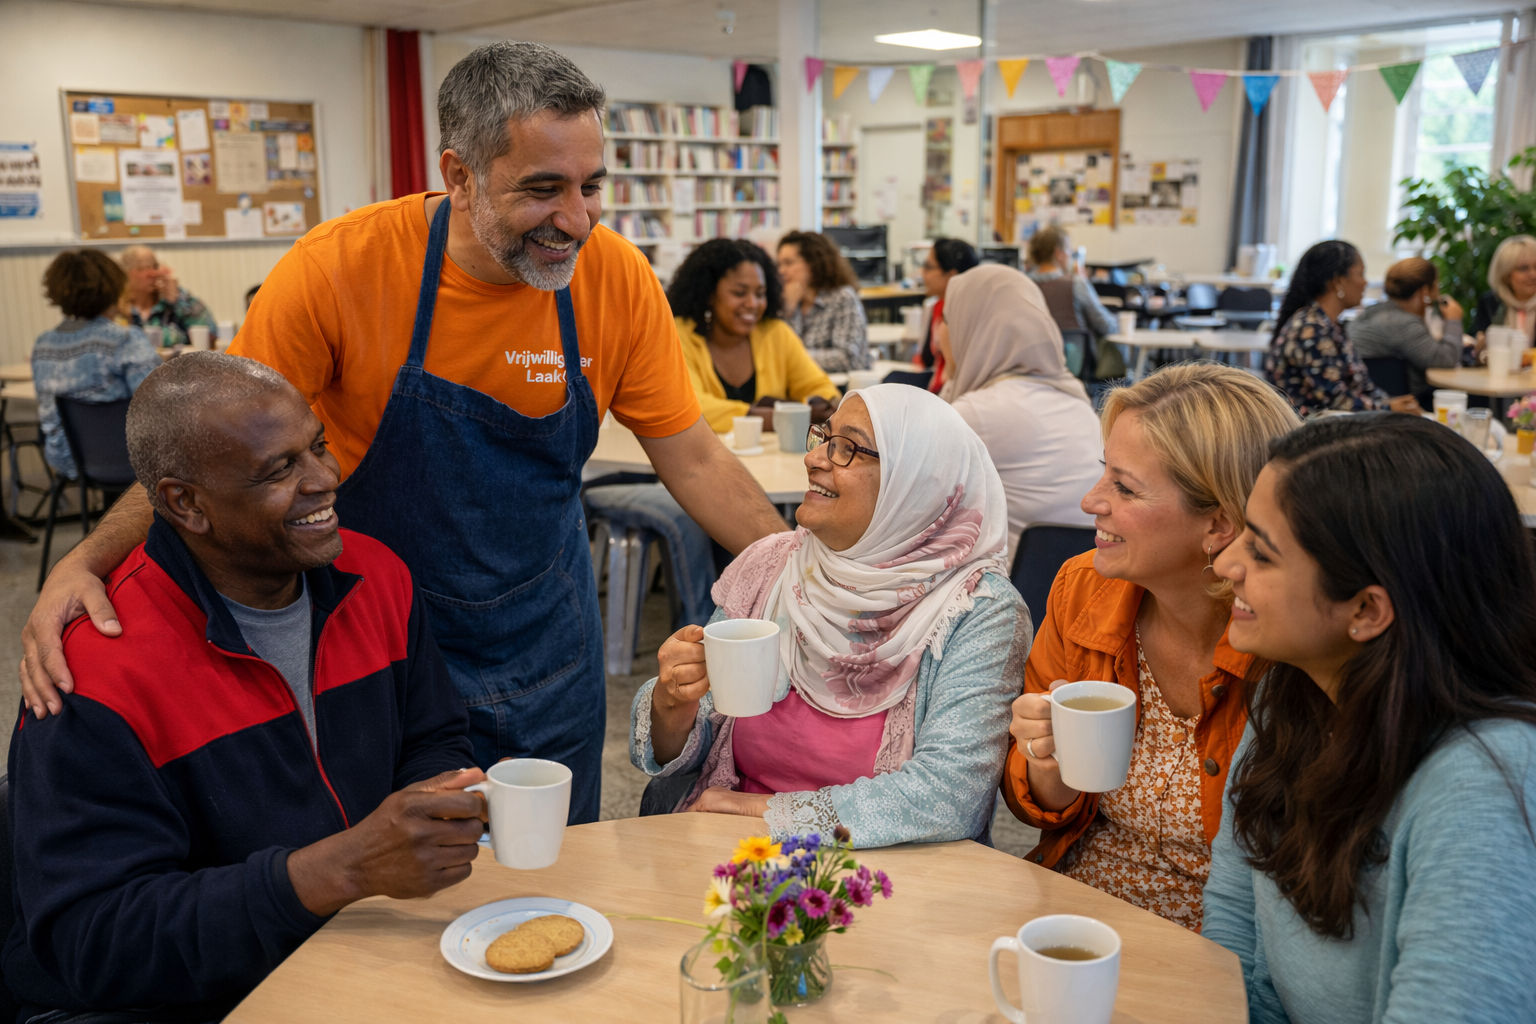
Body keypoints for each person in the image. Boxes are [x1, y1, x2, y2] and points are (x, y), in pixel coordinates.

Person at [20, 41, 790, 827]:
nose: (576, 220)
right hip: (375, 643)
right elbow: (207, 457)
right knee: (401, 887)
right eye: (542, 189)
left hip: (548, 646)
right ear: (458, 176)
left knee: (559, 870)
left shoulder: (617, 278)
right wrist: (85, 559)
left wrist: (793, 577)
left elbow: (692, 456)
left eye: (591, 186)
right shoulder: (338, 271)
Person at [4, 353, 485, 1021]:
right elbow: (96, 944)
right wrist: (337, 871)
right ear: (184, 504)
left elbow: (434, 736)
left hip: (363, 951)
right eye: (280, 470)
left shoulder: (381, 580)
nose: (324, 479)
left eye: (317, 447)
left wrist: (430, 814)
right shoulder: (91, 680)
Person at [1204, 413, 1536, 1022]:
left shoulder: (1486, 784)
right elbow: (1235, 957)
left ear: (1365, 610)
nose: (1227, 563)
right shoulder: (1291, 700)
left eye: (1261, 551)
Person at [631, 385, 1030, 847]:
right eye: (824, 436)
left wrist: (768, 813)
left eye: (847, 448)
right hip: (729, 847)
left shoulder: (977, 610)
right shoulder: (773, 565)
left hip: (886, 876)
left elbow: (948, 796)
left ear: (913, 481)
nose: (816, 457)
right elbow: (695, 740)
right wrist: (671, 706)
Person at [1001, 363, 1300, 931]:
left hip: (1226, 940)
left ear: (1219, 524)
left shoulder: (1288, 639)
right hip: (1077, 912)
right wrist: (1048, 758)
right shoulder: (1084, 587)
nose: (1091, 501)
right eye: (1102, 474)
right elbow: (1036, 805)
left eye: (1124, 487)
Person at [936, 264, 1102, 565]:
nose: (938, 336)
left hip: (1013, 593)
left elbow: (910, 504)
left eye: (948, 319)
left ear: (974, 327)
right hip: (1082, 588)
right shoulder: (1076, 399)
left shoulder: (977, 413)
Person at [669, 238, 839, 432]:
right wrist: (780, 417)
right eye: (740, 293)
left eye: (760, 294)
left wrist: (818, 404)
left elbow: (820, 388)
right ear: (709, 294)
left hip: (773, 460)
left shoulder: (776, 333)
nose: (752, 304)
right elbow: (691, 407)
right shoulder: (680, 335)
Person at [31, 249, 160, 480]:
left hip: (67, 460)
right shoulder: (125, 339)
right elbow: (159, 406)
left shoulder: (43, 345)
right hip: (130, 462)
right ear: (114, 287)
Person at [1264, 240, 1420, 417]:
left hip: (1337, 423)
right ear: (1338, 281)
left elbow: (1361, 387)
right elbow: (1333, 400)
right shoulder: (1309, 329)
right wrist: (1388, 408)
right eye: (1360, 274)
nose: (1365, 283)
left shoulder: (1329, 325)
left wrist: (1389, 402)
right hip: (1312, 431)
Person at [1348, 257, 1466, 400]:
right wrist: (1453, 320)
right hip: (1398, 405)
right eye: (1436, 285)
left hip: (1372, 399)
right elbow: (1446, 360)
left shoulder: (1376, 311)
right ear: (1425, 291)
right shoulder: (1402, 323)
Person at [1026, 226, 1126, 382]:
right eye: (1069, 251)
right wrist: (1120, 322)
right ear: (1059, 254)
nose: (1070, 256)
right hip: (1072, 365)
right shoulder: (1075, 284)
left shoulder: (1023, 284)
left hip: (1031, 363)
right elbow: (1105, 325)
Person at [776, 230, 871, 372]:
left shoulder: (842, 298)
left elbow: (845, 358)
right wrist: (788, 310)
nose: (781, 271)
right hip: (803, 386)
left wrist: (794, 357)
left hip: (842, 388)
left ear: (813, 263)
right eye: (779, 264)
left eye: (788, 263)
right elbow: (776, 353)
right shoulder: (786, 302)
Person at [912, 237, 979, 393]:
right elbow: (926, 360)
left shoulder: (965, 317)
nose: (922, 273)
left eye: (928, 267)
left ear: (951, 275)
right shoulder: (937, 307)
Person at [118, 244, 217, 347]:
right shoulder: (115, 306)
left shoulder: (177, 298)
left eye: (155, 266)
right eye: (145, 268)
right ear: (125, 273)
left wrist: (178, 301)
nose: (154, 274)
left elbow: (210, 335)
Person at [1469, 234, 1536, 348]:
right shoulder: (1490, 302)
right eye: (1523, 268)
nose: (1533, 275)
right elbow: (1473, 340)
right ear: (1506, 275)